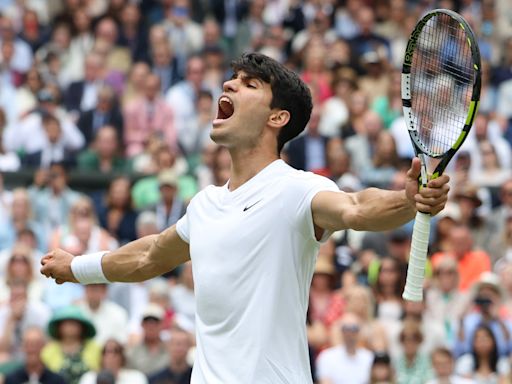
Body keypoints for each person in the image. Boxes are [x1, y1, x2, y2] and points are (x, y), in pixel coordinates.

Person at [41, 53, 450, 384]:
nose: (228, 85)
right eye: (232, 78)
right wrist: (75, 267)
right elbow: (149, 255)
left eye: (249, 84)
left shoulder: (296, 189)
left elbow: (357, 207)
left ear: (277, 118)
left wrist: (407, 200)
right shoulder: (203, 205)